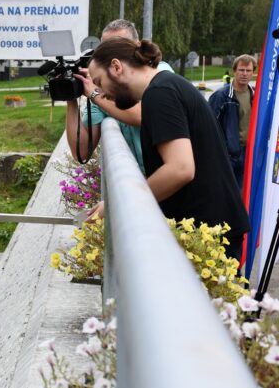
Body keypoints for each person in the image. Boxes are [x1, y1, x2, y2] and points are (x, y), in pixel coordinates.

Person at [85, 37, 250, 260]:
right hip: (210, 231)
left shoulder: (159, 94)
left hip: (209, 235)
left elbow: (180, 169)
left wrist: (117, 203)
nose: (102, 92)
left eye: (100, 82)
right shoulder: (166, 86)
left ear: (116, 67)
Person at [65, 19, 174, 175]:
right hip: (136, 181)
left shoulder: (158, 72)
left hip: (164, 178)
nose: (111, 57)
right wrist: (71, 96)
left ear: (136, 46)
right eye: (106, 50)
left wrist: (96, 94)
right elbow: (81, 152)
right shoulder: (102, 90)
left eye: (118, 48)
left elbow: (141, 115)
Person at [209, 55, 256, 190]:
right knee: (224, 194)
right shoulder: (221, 96)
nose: (245, 74)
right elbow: (209, 126)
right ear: (234, 71)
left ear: (253, 72)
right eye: (241, 70)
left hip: (248, 153)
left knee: (242, 196)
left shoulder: (256, 96)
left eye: (248, 70)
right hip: (227, 156)